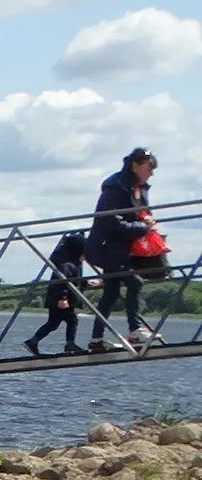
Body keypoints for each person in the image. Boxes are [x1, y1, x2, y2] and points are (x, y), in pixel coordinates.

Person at [85, 147, 160, 352]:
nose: (152, 172)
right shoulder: (115, 186)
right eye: (149, 167)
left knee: (110, 292)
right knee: (135, 282)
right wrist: (142, 227)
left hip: (121, 248)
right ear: (135, 165)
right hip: (105, 247)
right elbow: (110, 222)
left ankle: (96, 340)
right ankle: (135, 330)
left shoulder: (141, 189)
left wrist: (147, 220)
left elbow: (140, 214)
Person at [24, 231, 89, 357]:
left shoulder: (71, 263)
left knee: (54, 323)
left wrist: (86, 283)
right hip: (60, 300)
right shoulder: (67, 265)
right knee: (71, 321)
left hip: (59, 300)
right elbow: (63, 282)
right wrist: (62, 298)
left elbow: (74, 281)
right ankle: (69, 344)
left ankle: (33, 341)